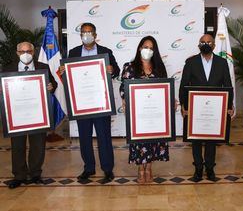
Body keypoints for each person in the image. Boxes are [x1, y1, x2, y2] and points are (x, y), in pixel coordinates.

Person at [63, 22, 120, 183]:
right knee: (85, 138)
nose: (86, 35)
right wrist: (63, 72)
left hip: (101, 102)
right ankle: (89, 168)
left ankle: (108, 170)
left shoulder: (105, 51)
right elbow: (69, 76)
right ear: (80, 35)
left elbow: (116, 70)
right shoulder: (73, 52)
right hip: (82, 104)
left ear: (95, 34)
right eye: (83, 32)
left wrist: (112, 70)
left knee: (104, 137)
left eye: (89, 32)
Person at [179, 34, 233, 181]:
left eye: (209, 42)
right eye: (203, 42)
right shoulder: (190, 62)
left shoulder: (222, 63)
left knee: (211, 139)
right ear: (199, 45)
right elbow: (183, 85)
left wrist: (230, 105)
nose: (206, 44)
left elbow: (228, 85)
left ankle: (210, 169)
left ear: (214, 45)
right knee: (195, 139)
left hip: (215, 109)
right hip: (195, 109)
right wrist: (183, 105)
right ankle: (198, 169)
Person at [3, 42, 57, 189]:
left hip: (38, 112)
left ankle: (35, 174)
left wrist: (51, 87)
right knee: (18, 145)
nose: (25, 54)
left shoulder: (42, 67)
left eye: (28, 51)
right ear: (17, 53)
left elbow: (53, 84)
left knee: (38, 145)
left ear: (33, 52)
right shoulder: (8, 69)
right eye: (22, 51)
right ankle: (19, 175)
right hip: (16, 114)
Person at [119, 36, 169, 183]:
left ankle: (149, 168)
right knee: (139, 142)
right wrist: (124, 99)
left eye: (151, 48)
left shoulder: (159, 68)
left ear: (154, 51)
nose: (147, 50)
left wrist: (170, 100)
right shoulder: (129, 66)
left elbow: (165, 89)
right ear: (140, 48)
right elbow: (124, 88)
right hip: (137, 114)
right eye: (145, 47)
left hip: (155, 114)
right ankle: (140, 169)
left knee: (153, 140)